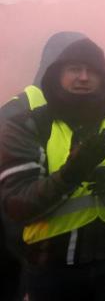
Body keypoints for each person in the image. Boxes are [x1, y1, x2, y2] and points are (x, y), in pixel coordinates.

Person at [0, 37, 105, 300]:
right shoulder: (28, 126)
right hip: (51, 274)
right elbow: (16, 205)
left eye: (92, 71)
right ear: (57, 75)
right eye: (74, 69)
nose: (83, 77)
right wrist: (71, 175)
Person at [0, 31, 86, 301]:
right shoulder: (15, 114)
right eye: (74, 67)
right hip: (25, 258)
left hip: (64, 261)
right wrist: (29, 260)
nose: (83, 77)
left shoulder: (74, 108)